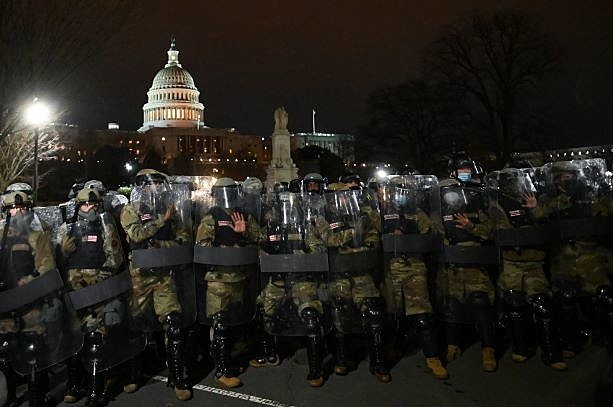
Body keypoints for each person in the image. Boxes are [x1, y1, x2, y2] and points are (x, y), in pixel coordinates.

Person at [0, 191, 80, 406]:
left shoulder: (38, 236)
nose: (19, 212)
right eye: (15, 209)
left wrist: (26, 282)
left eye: (24, 208)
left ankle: (38, 398)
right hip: (5, 306)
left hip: (31, 304)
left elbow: (47, 268)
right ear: (7, 211)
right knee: (6, 352)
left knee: (34, 351)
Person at [58, 188, 136, 405]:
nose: (90, 208)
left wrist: (94, 280)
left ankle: (96, 391)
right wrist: (62, 251)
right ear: (78, 206)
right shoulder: (67, 229)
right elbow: (55, 264)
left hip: (96, 293)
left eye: (94, 205)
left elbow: (114, 259)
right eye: (85, 205)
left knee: (95, 340)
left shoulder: (106, 227)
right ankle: (75, 384)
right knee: (74, 340)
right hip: (73, 294)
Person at [120, 169, 192, 401]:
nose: (158, 188)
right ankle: (134, 375)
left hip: (164, 275)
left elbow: (184, 240)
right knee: (136, 324)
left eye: (161, 184)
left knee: (173, 323)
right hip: (139, 276)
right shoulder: (131, 210)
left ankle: (177, 376)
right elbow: (137, 234)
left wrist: (161, 246)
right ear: (142, 186)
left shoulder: (171, 210)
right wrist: (161, 222)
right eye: (153, 184)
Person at [252, 175, 330, 387]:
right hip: (277, 279)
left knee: (311, 317)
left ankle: (315, 370)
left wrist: (300, 257)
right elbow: (258, 244)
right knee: (262, 311)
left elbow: (316, 249)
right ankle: (269, 354)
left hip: (300, 279)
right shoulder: (272, 226)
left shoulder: (305, 225)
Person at [488, 168, 567, 370]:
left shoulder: (535, 199)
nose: (514, 185)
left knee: (543, 306)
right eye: (510, 182)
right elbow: (499, 231)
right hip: (512, 262)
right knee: (515, 306)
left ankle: (552, 353)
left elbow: (547, 225)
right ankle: (522, 348)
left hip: (534, 262)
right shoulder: (498, 205)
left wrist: (535, 209)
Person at [532, 159, 613, 356]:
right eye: (561, 179)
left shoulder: (590, 196)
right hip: (563, 259)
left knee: (601, 297)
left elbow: (606, 216)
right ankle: (571, 340)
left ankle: (602, 334)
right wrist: (561, 199)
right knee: (565, 299)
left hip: (590, 258)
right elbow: (538, 215)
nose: (566, 182)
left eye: (570, 178)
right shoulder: (550, 200)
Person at [379, 175, 449, 379]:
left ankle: (432, 357)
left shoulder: (416, 213)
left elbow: (434, 233)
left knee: (422, 314)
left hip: (414, 267)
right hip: (390, 268)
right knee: (393, 314)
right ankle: (393, 347)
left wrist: (412, 237)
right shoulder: (381, 213)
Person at [195, 177, 261, 388]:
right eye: (224, 192)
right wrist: (227, 251)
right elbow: (202, 246)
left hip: (239, 278)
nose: (228, 197)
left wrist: (245, 233)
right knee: (220, 325)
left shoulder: (243, 214)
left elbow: (260, 238)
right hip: (218, 280)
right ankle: (221, 371)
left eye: (231, 192)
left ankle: (228, 363)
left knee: (232, 324)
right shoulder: (211, 217)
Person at [324, 182, 391, 383]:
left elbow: (372, 241)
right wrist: (354, 235)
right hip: (339, 275)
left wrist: (354, 244)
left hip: (361, 274)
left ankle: (378, 362)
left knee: (374, 313)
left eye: (346, 195)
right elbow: (329, 240)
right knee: (340, 314)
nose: (344, 199)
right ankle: (343, 359)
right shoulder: (323, 218)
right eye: (340, 196)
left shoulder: (361, 215)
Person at [439, 151, 498, 372]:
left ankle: (488, 348)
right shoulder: (441, 198)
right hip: (452, 262)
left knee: (481, 302)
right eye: (461, 170)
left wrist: (471, 227)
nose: (465, 173)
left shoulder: (476, 197)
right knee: (452, 304)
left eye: (467, 170)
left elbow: (491, 231)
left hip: (474, 260)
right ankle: (452, 345)